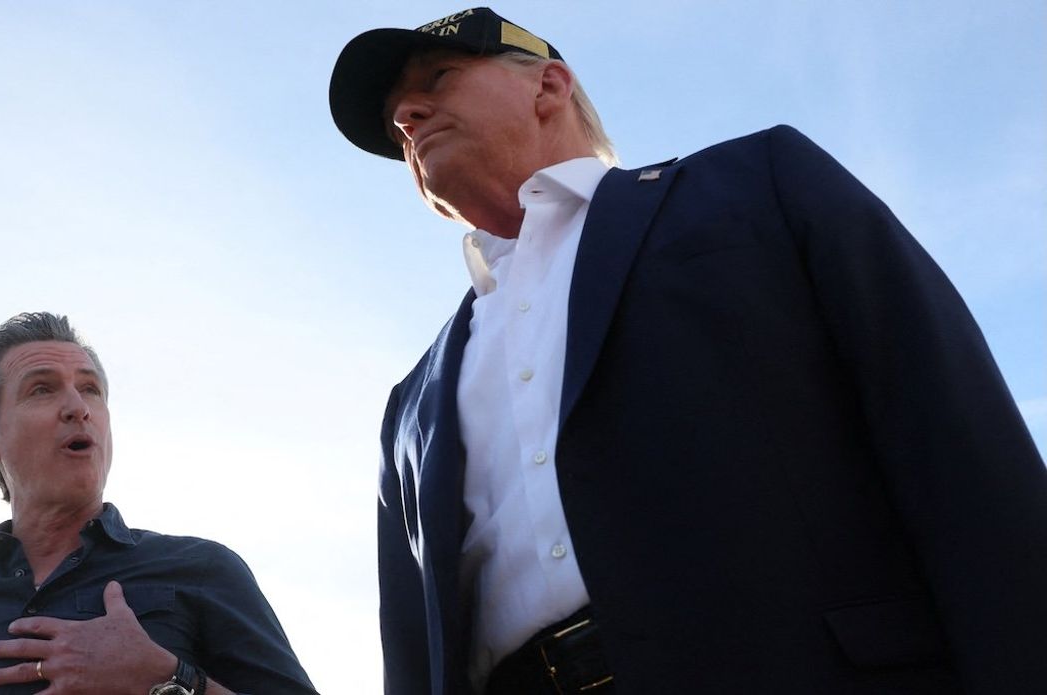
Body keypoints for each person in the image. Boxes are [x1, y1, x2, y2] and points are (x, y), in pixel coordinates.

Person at [328, 7, 1047, 695]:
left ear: (548, 84)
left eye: (438, 81)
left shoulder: (758, 183)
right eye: (398, 122)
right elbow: (416, 651)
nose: (407, 118)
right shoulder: (409, 406)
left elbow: (957, 442)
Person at [0, 312, 318, 695]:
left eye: (90, 389)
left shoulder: (202, 570)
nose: (77, 407)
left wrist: (168, 680)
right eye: (42, 390)